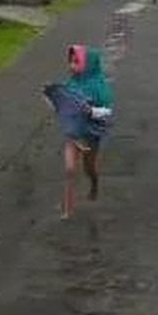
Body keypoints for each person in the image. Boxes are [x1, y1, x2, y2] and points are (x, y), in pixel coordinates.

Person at [43, 44, 114, 218]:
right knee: (69, 170)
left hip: (91, 134)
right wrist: (50, 95)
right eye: (70, 61)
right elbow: (61, 107)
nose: (71, 66)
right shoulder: (71, 85)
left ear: (87, 65)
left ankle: (94, 184)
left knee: (89, 168)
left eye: (76, 62)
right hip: (74, 134)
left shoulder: (100, 88)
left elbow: (107, 111)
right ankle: (67, 208)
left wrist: (92, 111)